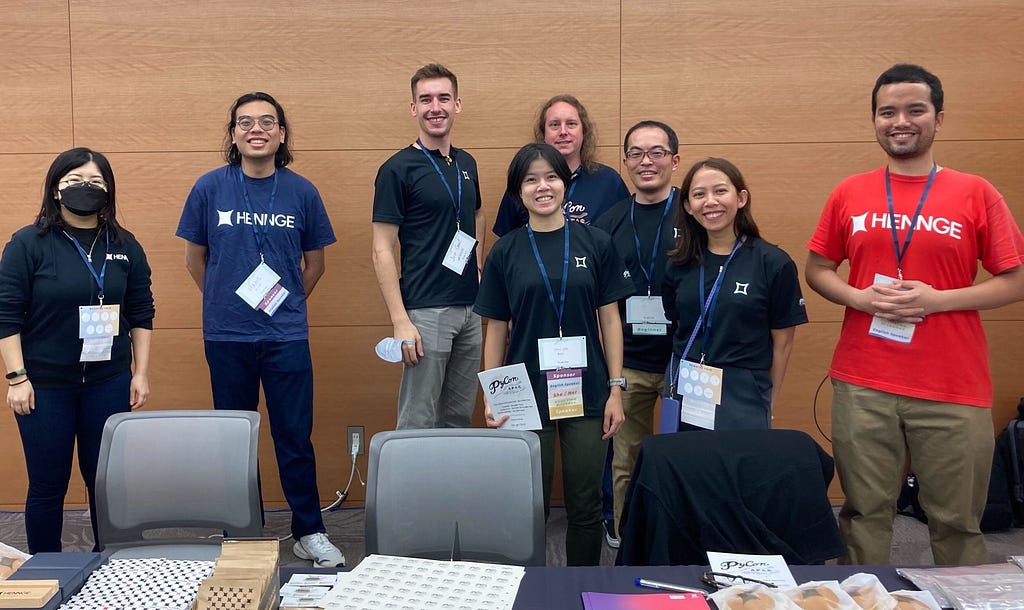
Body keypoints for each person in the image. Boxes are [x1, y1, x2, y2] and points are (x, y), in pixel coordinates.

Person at [805, 63, 1024, 565]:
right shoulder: (849, 191)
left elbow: (1016, 279)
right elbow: (817, 268)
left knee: (957, 522)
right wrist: (859, 298)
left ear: (939, 118)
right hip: (863, 382)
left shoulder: (976, 192)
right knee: (863, 514)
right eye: (887, 112)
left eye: (914, 109)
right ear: (875, 120)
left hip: (953, 384)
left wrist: (937, 300)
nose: (900, 120)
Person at [176, 92, 343, 567]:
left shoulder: (302, 192)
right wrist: (225, 303)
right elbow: (195, 260)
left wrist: (285, 305)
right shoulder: (209, 188)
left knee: (294, 436)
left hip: (286, 336)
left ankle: (308, 529)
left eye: (267, 121)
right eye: (245, 122)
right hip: (226, 337)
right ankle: (240, 531)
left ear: (281, 133)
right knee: (234, 437)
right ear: (233, 134)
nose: (257, 129)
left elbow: (316, 264)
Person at [475, 142, 633, 566]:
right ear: (517, 192)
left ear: (565, 184)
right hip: (523, 394)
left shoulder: (596, 243)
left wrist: (616, 389)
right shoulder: (505, 251)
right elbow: (495, 328)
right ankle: (532, 589)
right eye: (530, 180)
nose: (542, 187)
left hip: (588, 391)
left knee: (585, 507)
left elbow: (611, 321)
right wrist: (490, 394)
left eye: (551, 177)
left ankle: (579, 587)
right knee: (530, 507)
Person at [0, 147, 154, 553]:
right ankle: (44, 571)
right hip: (44, 386)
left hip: (107, 380)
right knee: (48, 483)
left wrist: (139, 373)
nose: (85, 187)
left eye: (95, 181)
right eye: (73, 181)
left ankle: (111, 564)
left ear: (109, 190)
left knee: (104, 479)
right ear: (55, 190)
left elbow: (141, 312)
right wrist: (17, 378)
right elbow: (6, 316)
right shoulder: (27, 244)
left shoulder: (125, 245)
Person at [372, 64, 483, 430]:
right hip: (425, 311)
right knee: (418, 421)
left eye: (443, 98)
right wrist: (400, 321)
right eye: (426, 99)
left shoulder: (466, 163)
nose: (436, 107)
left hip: (470, 309)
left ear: (458, 105)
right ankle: (411, 489)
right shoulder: (397, 169)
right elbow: (382, 249)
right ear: (414, 108)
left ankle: (449, 489)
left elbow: (476, 214)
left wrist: (478, 269)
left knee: (458, 419)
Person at [663, 158, 806, 431]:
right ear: (687, 206)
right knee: (691, 470)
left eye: (720, 191)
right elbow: (678, 322)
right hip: (690, 386)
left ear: (740, 198)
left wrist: (769, 400)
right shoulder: (678, 263)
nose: (710, 202)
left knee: (741, 471)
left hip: (745, 392)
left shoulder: (773, 262)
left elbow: (783, 343)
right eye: (699, 194)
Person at [593, 120, 681, 543]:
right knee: (626, 459)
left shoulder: (696, 213)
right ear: (625, 161)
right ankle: (631, 538)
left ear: (675, 160)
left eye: (657, 152)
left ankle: (686, 535)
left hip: (686, 362)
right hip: (629, 362)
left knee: (689, 457)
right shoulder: (608, 222)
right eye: (636, 153)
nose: (646, 162)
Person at [491, 95, 629, 236]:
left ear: (584, 132)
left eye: (571, 124)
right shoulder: (523, 181)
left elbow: (624, 235)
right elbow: (506, 243)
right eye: (555, 125)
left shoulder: (609, 182)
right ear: (544, 134)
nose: (563, 132)